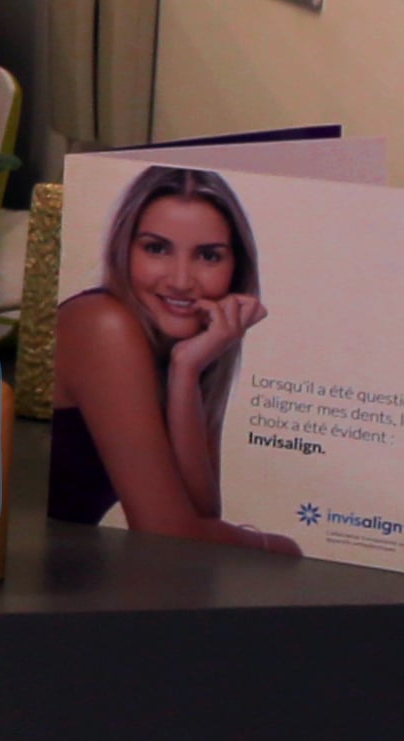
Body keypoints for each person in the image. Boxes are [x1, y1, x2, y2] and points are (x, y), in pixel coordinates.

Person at [51, 164, 285, 549]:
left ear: (236, 268)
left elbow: (202, 513)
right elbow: (169, 536)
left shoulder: (188, 347)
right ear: (124, 250)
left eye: (208, 256)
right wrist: (279, 549)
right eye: (156, 249)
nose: (180, 280)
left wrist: (187, 370)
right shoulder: (103, 325)